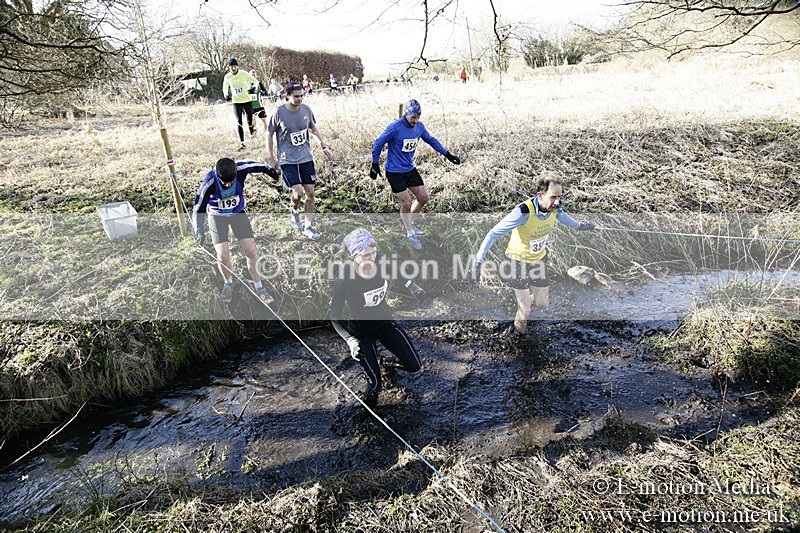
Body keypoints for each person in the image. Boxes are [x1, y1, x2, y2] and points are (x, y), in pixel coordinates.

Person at [472, 172, 595, 334]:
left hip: (538, 261)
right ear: (540, 195)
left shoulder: (555, 208)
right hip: (516, 263)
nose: (557, 202)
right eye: (553, 197)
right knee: (525, 310)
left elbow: (564, 217)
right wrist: (478, 262)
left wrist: (581, 226)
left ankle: (522, 299)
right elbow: (492, 234)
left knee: (543, 304)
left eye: (560, 197)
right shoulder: (523, 212)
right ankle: (517, 339)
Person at [330, 229, 425, 407]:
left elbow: (395, 271)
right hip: (362, 334)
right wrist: (350, 340)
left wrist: (413, 286)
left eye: (373, 253)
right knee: (375, 386)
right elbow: (334, 315)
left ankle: (387, 363)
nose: (371, 258)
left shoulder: (379, 260)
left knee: (414, 366)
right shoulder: (345, 279)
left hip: (385, 324)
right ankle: (368, 418)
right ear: (353, 255)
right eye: (366, 255)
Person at [369, 99, 461, 250]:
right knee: (406, 202)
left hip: (409, 169)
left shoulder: (419, 127)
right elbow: (379, 142)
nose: (415, 120)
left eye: (417, 117)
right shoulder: (395, 127)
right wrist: (374, 163)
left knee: (423, 198)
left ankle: (409, 222)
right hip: (394, 171)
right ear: (406, 114)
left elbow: (431, 140)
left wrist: (447, 154)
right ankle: (410, 232)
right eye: (412, 117)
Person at [192, 157, 278, 305]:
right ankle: (228, 283)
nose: (228, 184)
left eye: (230, 181)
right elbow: (198, 208)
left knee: (251, 251)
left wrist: (270, 171)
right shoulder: (209, 181)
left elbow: (254, 165)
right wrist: (199, 230)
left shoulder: (240, 169)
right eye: (225, 182)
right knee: (223, 255)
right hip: (218, 217)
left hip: (238, 214)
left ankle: (260, 287)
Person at [267, 81, 333, 240]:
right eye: (296, 96)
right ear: (287, 96)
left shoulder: (306, 110)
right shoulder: (279, 112)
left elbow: (314, 129)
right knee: (298, 193)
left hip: (305, 157)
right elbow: (269, 134)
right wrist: (270, 157)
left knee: (310, 193)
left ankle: (308, 226)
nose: (299, 99)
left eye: (302, 96)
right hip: (287, 159)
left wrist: (323, 147)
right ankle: (294, 210)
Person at [222, 58, 259, 150]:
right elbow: (225, 87)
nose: (233, 68)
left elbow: (255, 82)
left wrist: (252, 89)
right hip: (236, 101)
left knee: (249, 119)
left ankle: (252, 131)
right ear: (229, 68)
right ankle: (242, 142)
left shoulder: (243, 73)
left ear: (237, 66)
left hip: (247, 100)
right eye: (231, 67)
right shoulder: (227, 77)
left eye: (234, 66)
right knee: (239, 121)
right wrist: (226, 94)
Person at [247, 70, 269, 135]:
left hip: (259, 105)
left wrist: (263, 92)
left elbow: (265, 92)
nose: (253, 76)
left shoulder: (259, 83)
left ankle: (266, 132)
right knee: (253, 120)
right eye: (251, 75)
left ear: (256, 76)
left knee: (264, 120)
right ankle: (254, 132)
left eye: (254, 75)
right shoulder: (246, 84)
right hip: (251, 106)